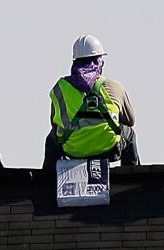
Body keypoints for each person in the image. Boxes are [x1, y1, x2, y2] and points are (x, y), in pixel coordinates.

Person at [44, 35, 139, 170]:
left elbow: (55, 122)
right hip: (109, 147)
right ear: (100, 62)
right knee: (129, 133)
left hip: (72, 149)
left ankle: (46, 183)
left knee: (52, 138)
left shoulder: (60, 88)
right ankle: (132, 177)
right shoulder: (114, 86)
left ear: (75, 62)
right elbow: (130, 120)